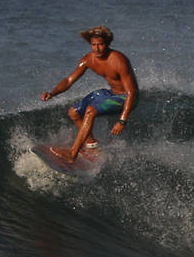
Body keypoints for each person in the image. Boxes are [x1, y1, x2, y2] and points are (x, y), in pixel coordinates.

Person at [41, 26, 138, 162]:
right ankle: (91, 145)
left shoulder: (118, 60)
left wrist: (122, 120)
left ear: (107, 44)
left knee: (90, 111)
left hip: (126, 97)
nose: (97, 49)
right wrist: (52, 93)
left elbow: (131, 92)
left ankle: (72, 154)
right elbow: (69, 80)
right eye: (93, 45)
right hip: (111, 93)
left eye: (100, 45)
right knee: (73, 112)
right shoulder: (88, 60)